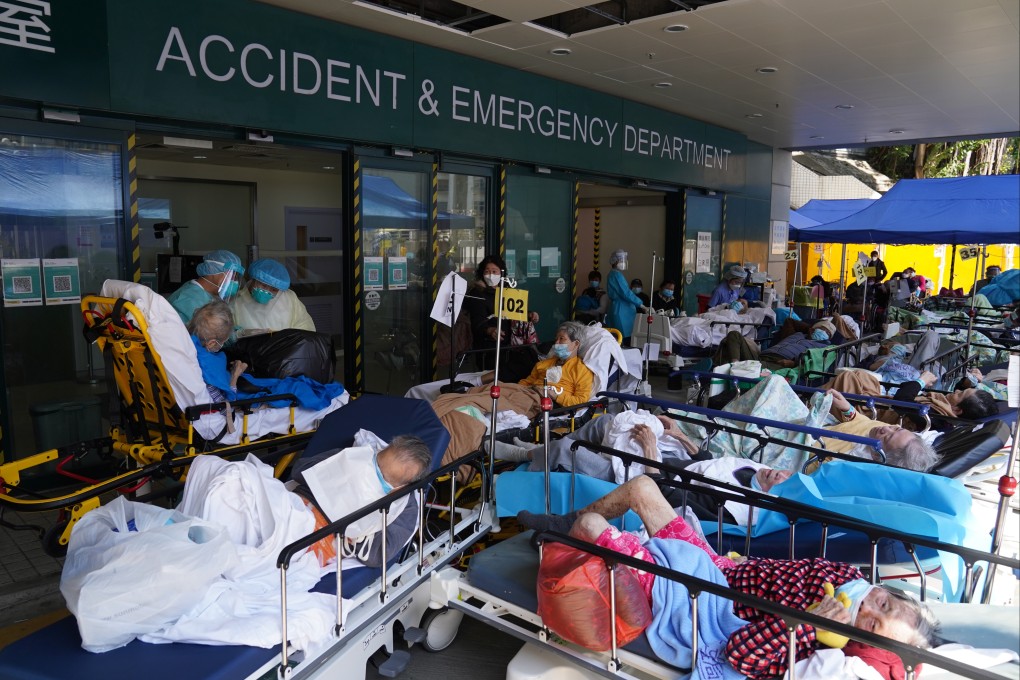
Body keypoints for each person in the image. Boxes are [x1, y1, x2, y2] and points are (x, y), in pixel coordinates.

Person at [519, 476, 940, 678]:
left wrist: (808, 621)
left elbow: (739, 654)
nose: (866, 606)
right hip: (717, 568)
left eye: (870, 623)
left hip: (698, 598)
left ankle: (565, 534)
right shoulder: (848, 577)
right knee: (643, 487)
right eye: (883, 602)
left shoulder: (821, 645)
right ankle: (560, 523)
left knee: (594, 526)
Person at [292, 434, 433, 568]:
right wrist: (340, 471)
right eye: (376, 464)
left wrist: (360, 517)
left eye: (384, 478)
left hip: (323, 535)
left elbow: (378, 555)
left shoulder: (405, 507)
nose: (372, 473)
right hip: (295, 505)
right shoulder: (355, 456)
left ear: (403, 487)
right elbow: (299, 471)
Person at [462, 254, 540, 377]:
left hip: (511, 346)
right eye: (487, 271)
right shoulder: (477, 293)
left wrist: (529, 314)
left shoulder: (507, 289)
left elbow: (516, 310)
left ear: (501, 273)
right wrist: (489, 330)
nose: (491, 275)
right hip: (488, 349)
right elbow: (477, 322)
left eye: (494, 271)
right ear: (482, 273)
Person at [515, 322, 594, 408]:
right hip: (527, 393)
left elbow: (581, 401)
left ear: (576, 344)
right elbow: (526, 382)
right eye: (556, 339)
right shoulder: (543, 364)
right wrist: (517, 389)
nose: (556, 343)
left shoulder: (581, 370)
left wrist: (555, 396)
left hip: (545, 403)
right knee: (501, 388)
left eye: (561, 339)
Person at [230, 258, 315, 334]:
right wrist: (239, 334)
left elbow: (306, 329)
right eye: (263, 286)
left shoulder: (289, 298)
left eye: (274, 289)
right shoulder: (235, 301)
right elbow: (225, 334)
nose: (267, 292)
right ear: (253, 279)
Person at [167, 249, 245, 324]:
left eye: (235, 277)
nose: (235, 282)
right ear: (214, 271)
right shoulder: (186, 300)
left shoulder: (211, 296)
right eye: (232, 276)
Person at [605, 249, 648, 344]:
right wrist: (641, 305)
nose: (623, 262)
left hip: (620, 309)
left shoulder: (614, 274)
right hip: (621, 311)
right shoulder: (616, 275)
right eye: (620, 260)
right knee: (622, 339)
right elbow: (625, 293)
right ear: (614, 261)